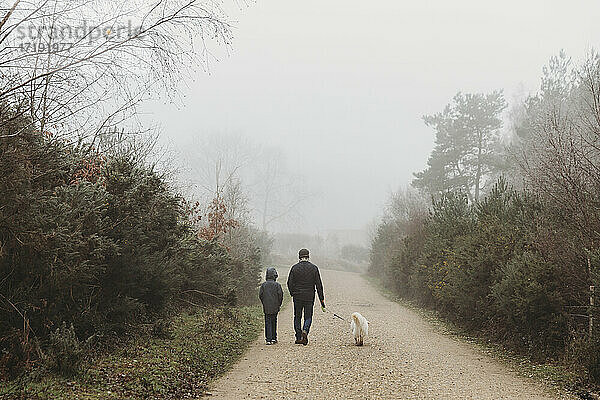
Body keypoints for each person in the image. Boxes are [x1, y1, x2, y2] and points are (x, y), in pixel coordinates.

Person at [286, 248, 325, 345]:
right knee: (308, 316)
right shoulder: (314, 268)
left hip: (297, 296)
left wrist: (292, 293)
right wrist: (322, 300)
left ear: (299, 257)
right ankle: (305, 330)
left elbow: (289, 283)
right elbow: (319, 285)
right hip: (309, 296)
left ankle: (298, 337)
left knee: (297, 316)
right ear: (308, 256)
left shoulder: (294, 268)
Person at [259, 267, 284, 345]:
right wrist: (279, 304)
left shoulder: (263, 285)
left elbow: (260, 295)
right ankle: (274, 338)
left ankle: (268, 339)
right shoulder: (277, 285)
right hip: (275, 306)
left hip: (266, 306)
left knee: (267, 322)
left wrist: (264, 302)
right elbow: (280, 295)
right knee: (274, 321)